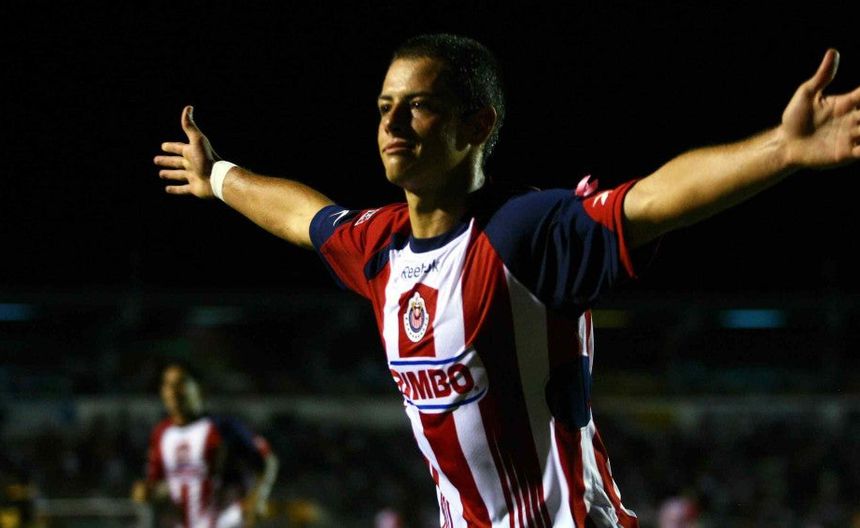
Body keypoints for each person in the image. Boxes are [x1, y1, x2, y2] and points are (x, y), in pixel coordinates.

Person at [154, 33, 860, 527]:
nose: (392, 122)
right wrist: (219, 176)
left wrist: (780, 149)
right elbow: (301, 216)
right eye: (383, 106)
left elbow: (650, 201)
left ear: (477, 124)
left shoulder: (525, 234)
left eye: (418, 104)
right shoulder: (378, 246)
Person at [131, 361, 279, 528]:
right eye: (167, 385)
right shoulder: (161, 433)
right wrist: (147, 493)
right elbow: (160, 485)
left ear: (198, 389)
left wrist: (258, 498)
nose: (173, 391)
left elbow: (267, 460)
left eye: (180, 383)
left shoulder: (221, 427)